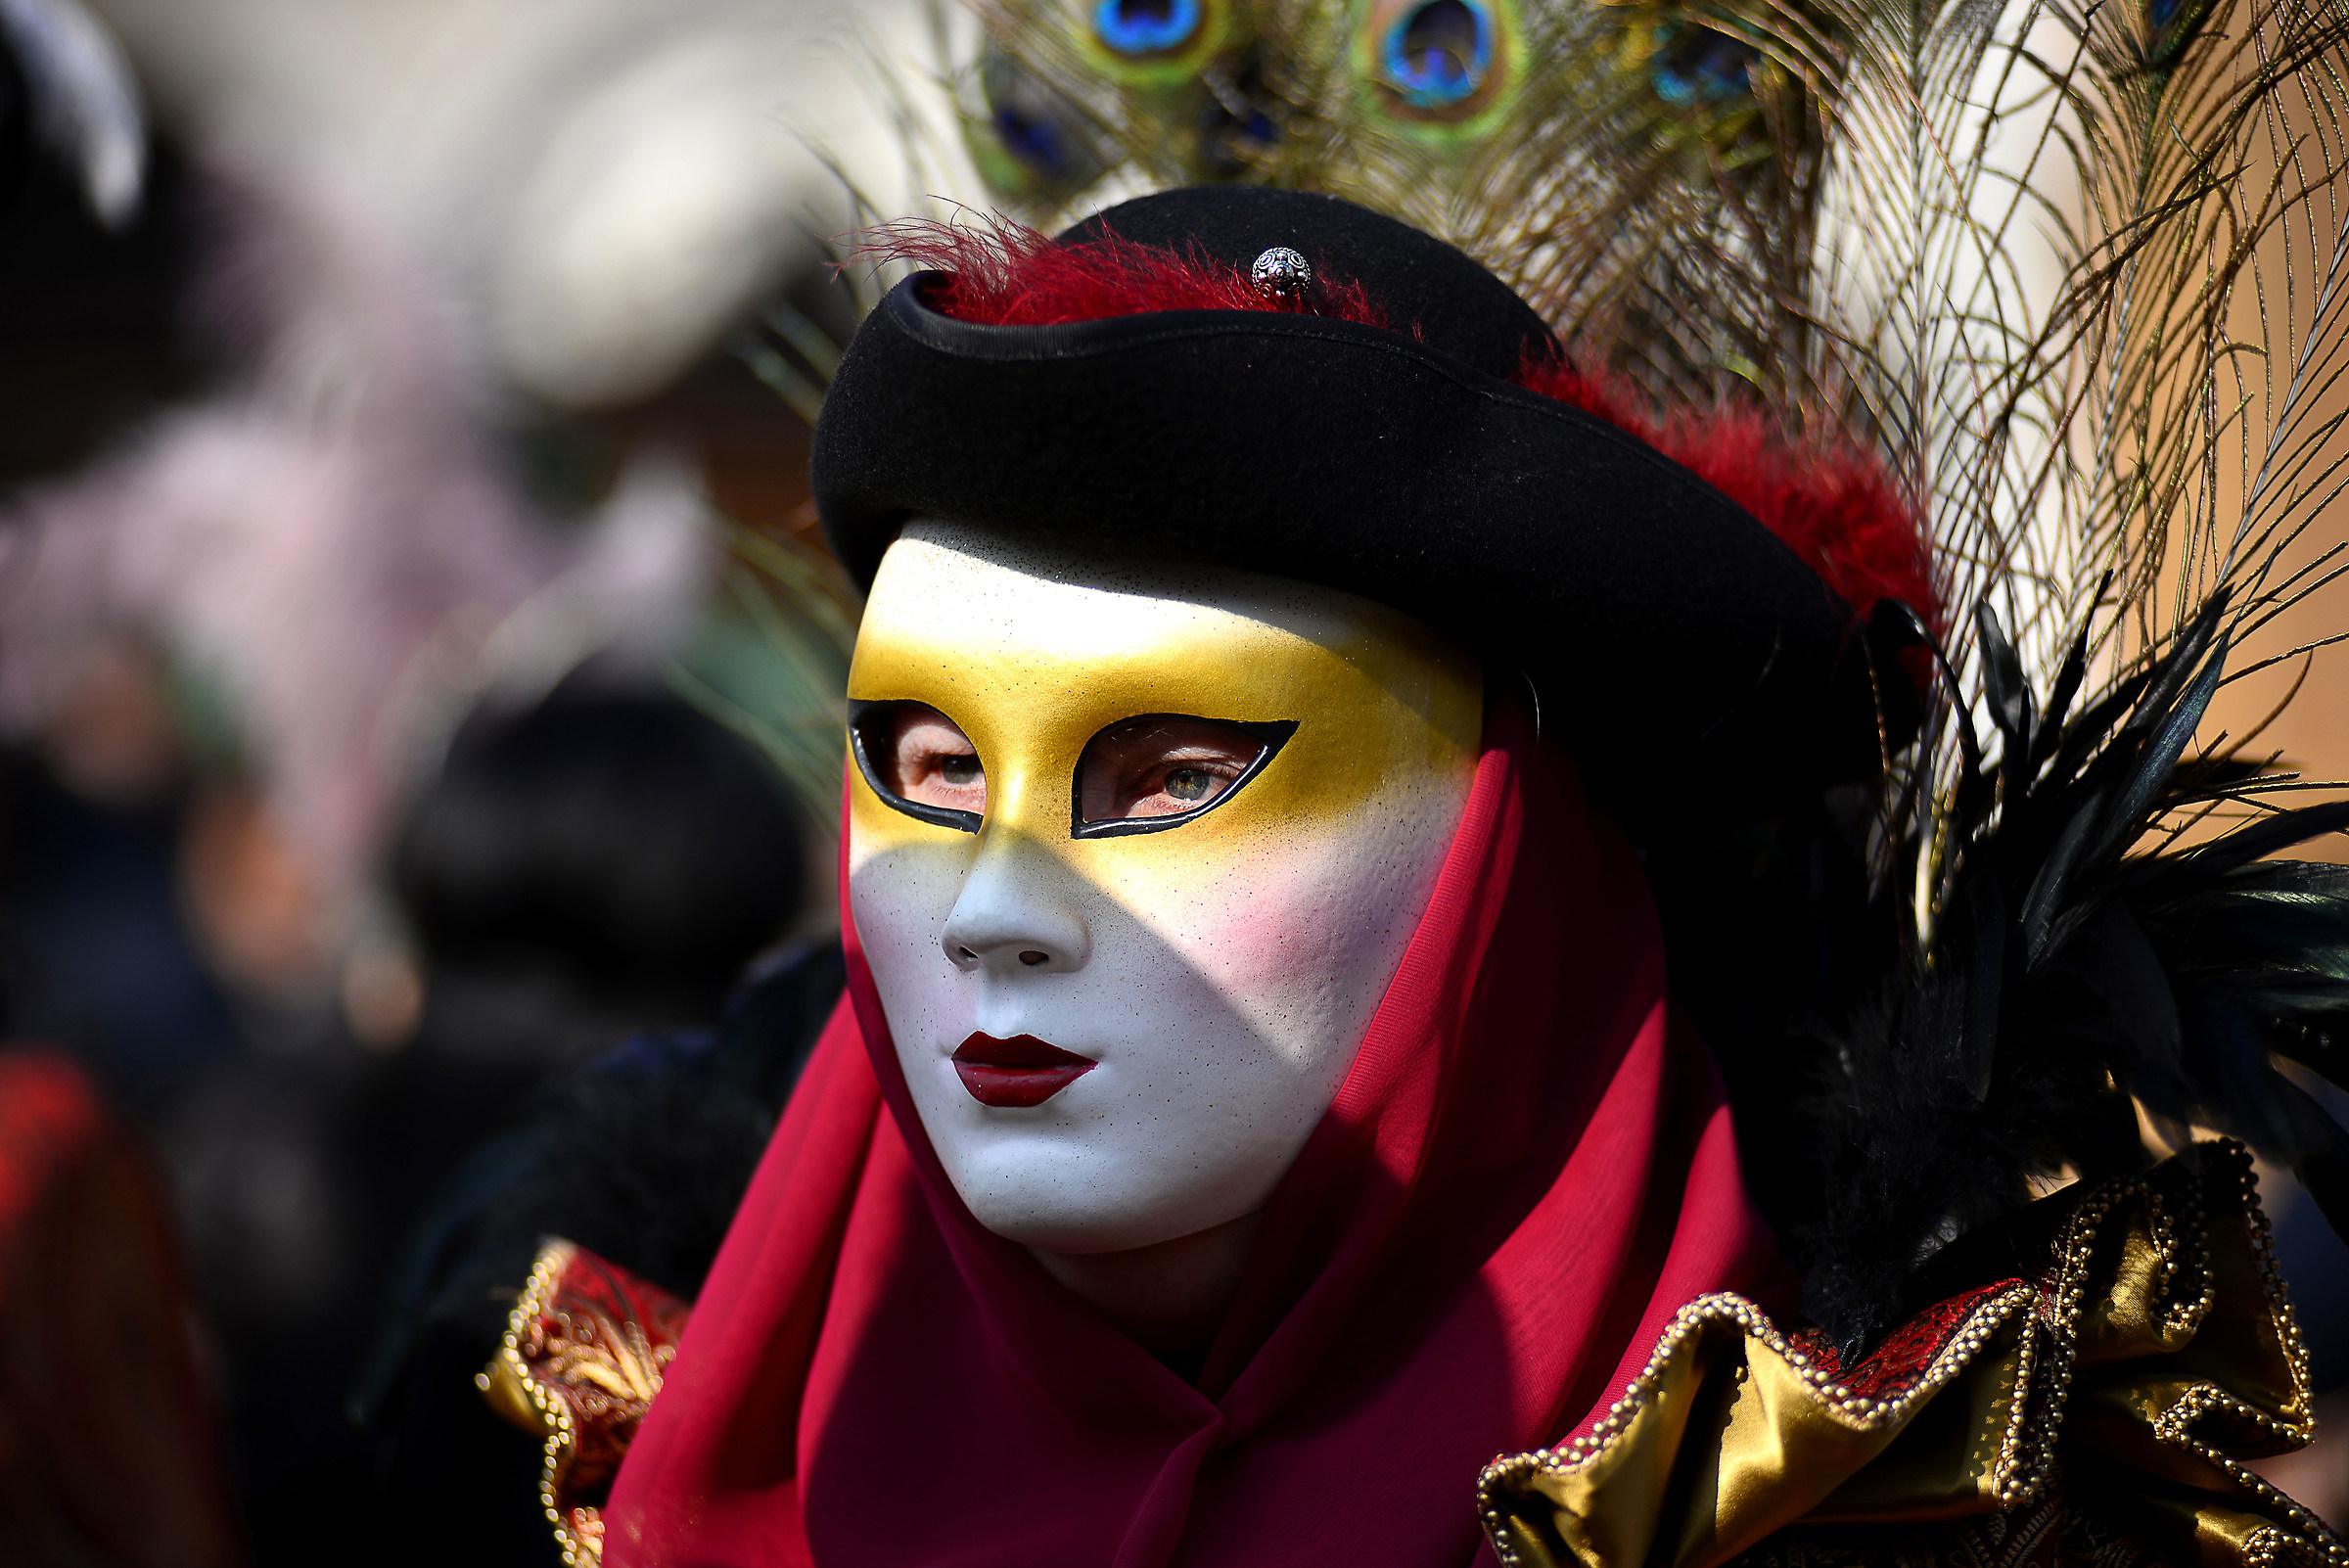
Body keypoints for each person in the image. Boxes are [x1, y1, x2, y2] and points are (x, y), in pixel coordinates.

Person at [470, 188, 2345, 1568]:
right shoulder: (617, 1479)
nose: (991, 910)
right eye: (931, 771)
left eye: (1175, 773)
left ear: (1498, 861)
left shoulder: (1889, 1517)